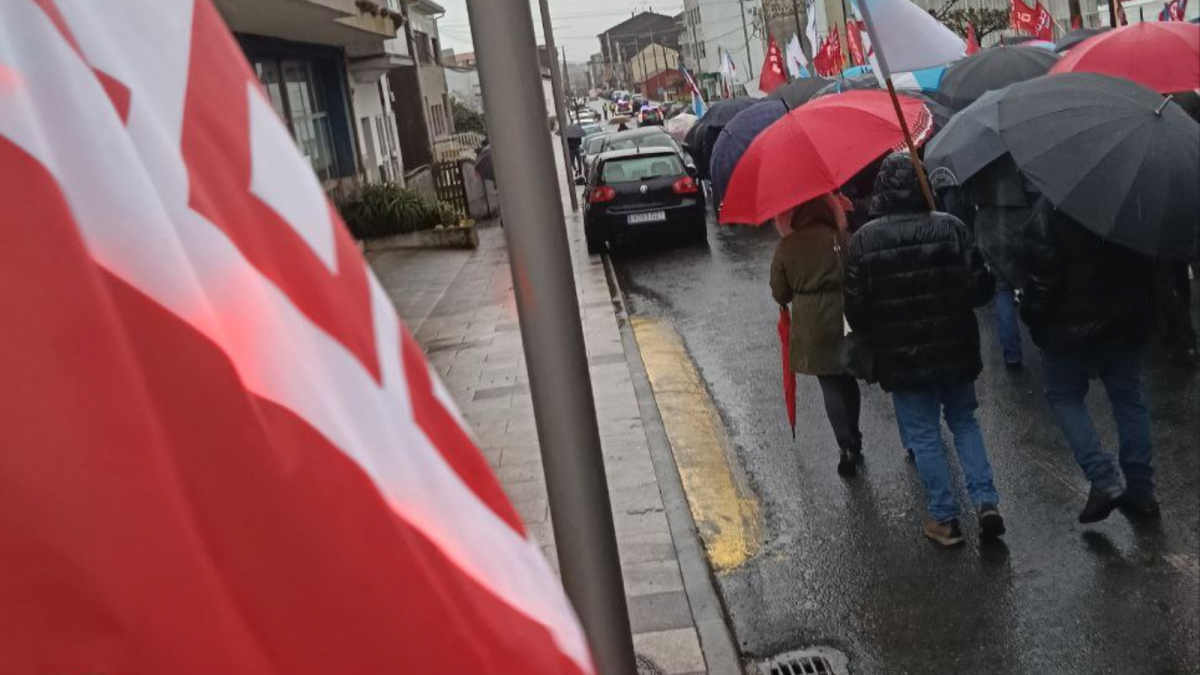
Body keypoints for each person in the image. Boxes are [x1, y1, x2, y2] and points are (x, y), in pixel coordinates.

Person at [844, 153, 1003, 547]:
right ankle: (985, 501)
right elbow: (980, 291)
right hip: (956, 350)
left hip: (903, 358)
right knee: (965, 422)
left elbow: (857, 310)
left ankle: (945, 518)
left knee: (925, 435)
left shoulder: (864, 240)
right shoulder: (951, 228)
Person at [1020, 198, 1160, 523]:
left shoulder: (1046, 214)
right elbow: (1147, 265)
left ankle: (1103, 478)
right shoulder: (1131, 203)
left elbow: (1042, 285)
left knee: (1065, 398)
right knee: (1130, 402)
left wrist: (1028, 312)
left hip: (1067, 334)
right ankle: (1141, 490)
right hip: (1124, 325)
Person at [770, 194, 863, 476]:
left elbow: (780, 292)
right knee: (847, 376)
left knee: (829, 383)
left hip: (811, 323)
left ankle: (845, 446)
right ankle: (856, 437)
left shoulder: (788, 246)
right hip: (846, 315)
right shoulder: (842, 237)